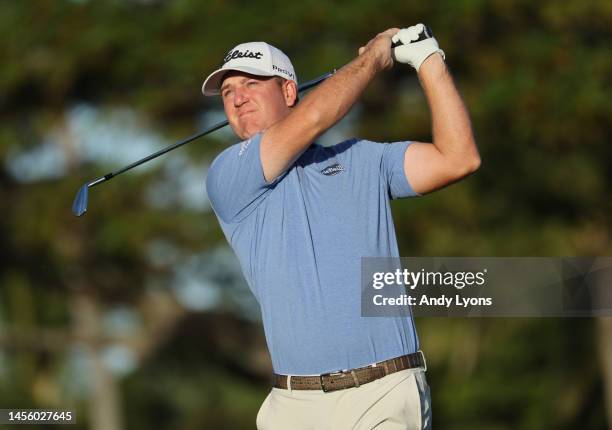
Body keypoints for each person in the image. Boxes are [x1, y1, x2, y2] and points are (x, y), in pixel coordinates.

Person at [203, 24, 480, 430]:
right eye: (228, 93)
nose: (237, 98)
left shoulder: (362, 159)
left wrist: (427, 60)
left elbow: (458, 159)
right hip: (293, 405)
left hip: (383, 392)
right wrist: (371, 60)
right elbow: (314, 118)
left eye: (250, 83)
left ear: (288, 92)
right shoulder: (227, 174)